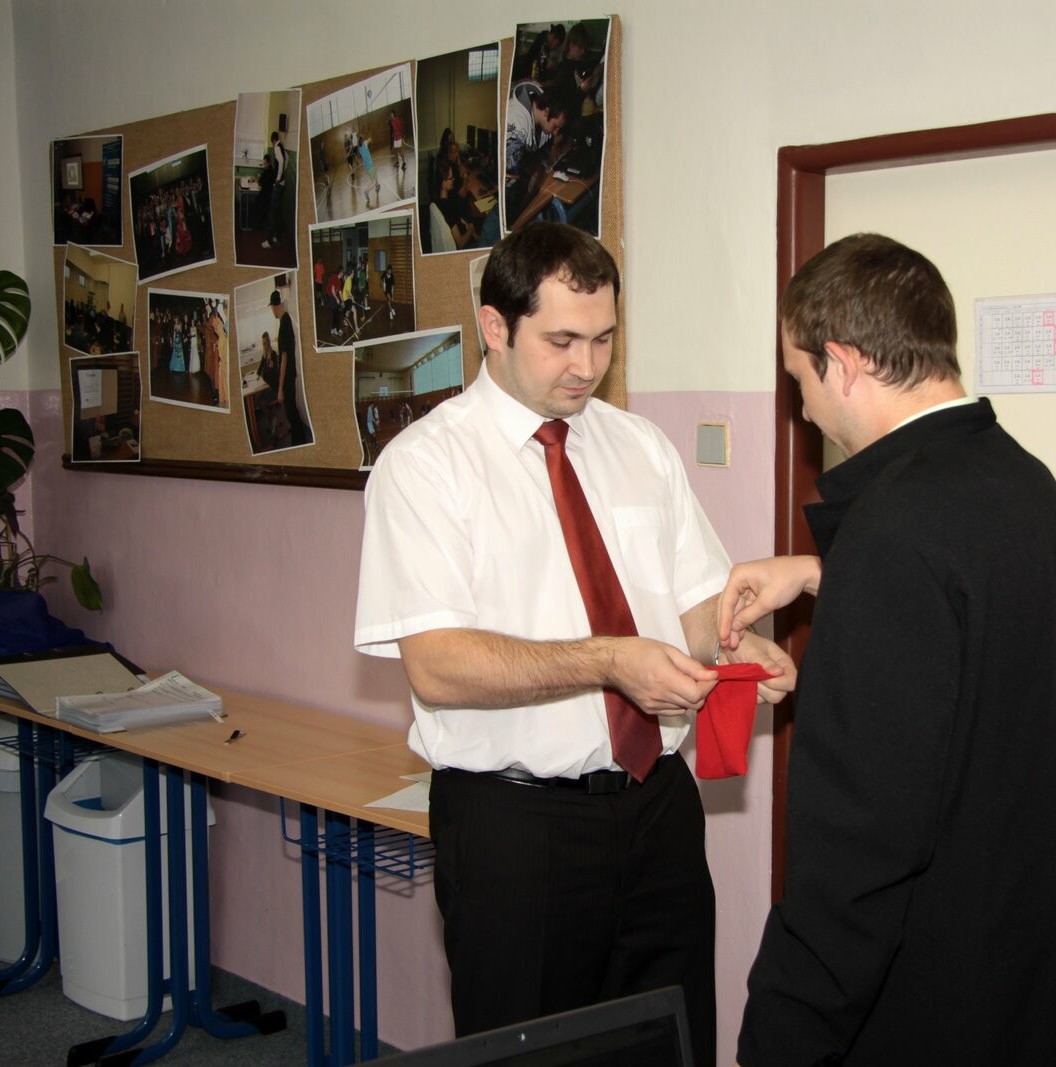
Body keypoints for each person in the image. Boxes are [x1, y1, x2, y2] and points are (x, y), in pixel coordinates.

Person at [352, 223, 795, 1067]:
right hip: (517, 823)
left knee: (669, 1040)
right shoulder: (426, 466)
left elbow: (691, 604)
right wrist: (607, 661)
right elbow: (436, 665)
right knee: (529, 1053)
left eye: (603, 340)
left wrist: (738, 643)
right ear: (494, 326)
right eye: (561, 341)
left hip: (656, 807)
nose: (586, 366)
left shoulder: (638, 446)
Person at [722, 234, 1056, 1066]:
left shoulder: (891, 532)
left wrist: (777, 1040)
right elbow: (969, 634)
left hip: (927, 1002)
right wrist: (823, 574)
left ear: (845, 364)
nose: (804, 409)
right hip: (1021, 976)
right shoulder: (1023, 481)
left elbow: (856, 856)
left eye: (800, 378)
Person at [503, 81, 572, 223]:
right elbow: (512, 175)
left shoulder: (541, 105)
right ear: (546, 112)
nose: (556, 132)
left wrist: (553, 146)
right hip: (506, 193)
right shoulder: (517, 126)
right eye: (555, 127)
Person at [269, 290, 310, 444]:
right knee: (291, 411)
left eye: (272, 307)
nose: (272, 311)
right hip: (290, 375)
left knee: (291, 412)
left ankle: (300, 441)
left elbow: (284, 357)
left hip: (288, 376)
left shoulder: (285, 323)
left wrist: (280, 389)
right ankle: (299, 439)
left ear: (275, 306)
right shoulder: (285, 321)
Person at [262, 131, 288, 249]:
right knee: (277, 212)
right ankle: (275, 237)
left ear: (273, 140)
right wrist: (281, 176)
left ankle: (269, 241)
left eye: (271, 143)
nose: (272, 145)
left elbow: (281, 161)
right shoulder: (282, 147)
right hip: (282, 184)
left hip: (278, 184)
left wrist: (278, 177)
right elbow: (286, 159)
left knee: (272, 213)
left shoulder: (277, 147)